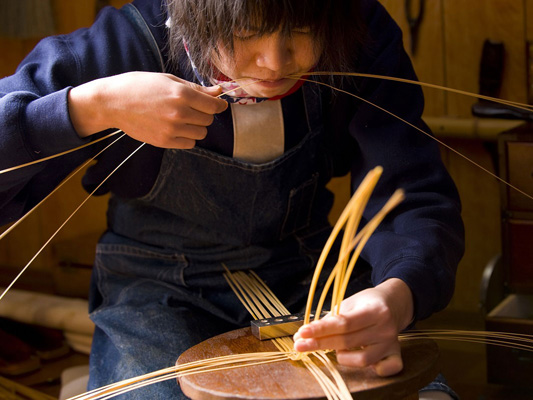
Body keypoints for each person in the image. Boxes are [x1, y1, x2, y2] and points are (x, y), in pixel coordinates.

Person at [0, 0, 464, 398]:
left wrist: (397, 295)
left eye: (301, 31)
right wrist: (93, 106)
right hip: (153, 287)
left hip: (309, 275)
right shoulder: (124, 47)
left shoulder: (355, 26)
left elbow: (413, 191)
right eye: (246, 32)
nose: (276, 62)